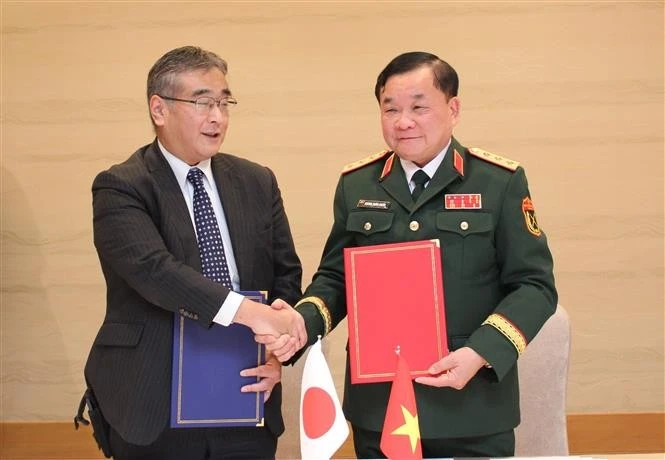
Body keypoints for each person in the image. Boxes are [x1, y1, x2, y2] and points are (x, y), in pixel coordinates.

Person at [266, 51, 558, 458]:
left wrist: (480, 353)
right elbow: (336, 278)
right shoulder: (357, 184)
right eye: (391, 109)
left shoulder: (498, 182)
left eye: (419, 107)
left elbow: (534, 286)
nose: (403, 122)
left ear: (453, 109)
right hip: (379, 405)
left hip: (472, 405)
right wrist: (301, 321)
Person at [81, 45, 305, 459]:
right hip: (154, 400)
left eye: (224, 102)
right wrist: (252, 314)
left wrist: (277, 350)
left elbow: (285, 274)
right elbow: (155, 272)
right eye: (202, 102)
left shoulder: (256, 181)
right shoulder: (121, 186)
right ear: (159, 109)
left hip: (245, 389)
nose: (217, 117)